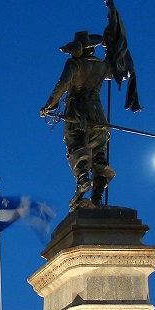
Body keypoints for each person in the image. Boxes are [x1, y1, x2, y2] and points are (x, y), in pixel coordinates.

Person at [40, 31, 115, 210]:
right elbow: (114, 74)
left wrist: (49, 106)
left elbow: (63, 84)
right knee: (99, 155)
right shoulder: (101, 66)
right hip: (98, 115)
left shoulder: (74, 63)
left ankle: (83, 180)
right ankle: (97, 195)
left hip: (77, 112)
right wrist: (110, 52)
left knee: (76, 146)